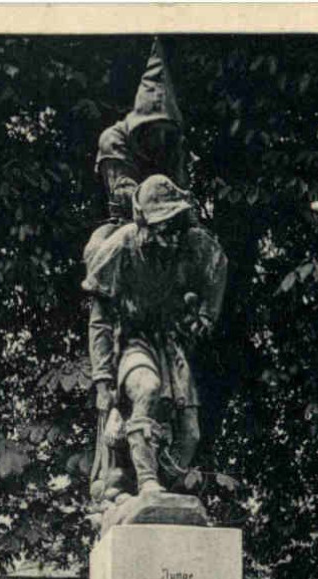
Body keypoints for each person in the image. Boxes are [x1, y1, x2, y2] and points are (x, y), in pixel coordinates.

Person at [82, 175, 227, 498]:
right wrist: (103, 381)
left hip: (170, 342)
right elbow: (100, 320)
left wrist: (206, 315)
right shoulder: (121, 246)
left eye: (174, 222)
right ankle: (148, 483)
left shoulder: (194, 243)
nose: (170, 232)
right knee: (147, 389)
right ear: (144, 221)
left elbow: (218, 266)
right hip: (131, 340)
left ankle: (166, 490)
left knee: (190, 433)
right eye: (162, 223)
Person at [83, 38, 192, 270]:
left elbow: (181, 191)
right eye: (156, 130)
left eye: (166, 131)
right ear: (142, 125)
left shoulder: (172, 145)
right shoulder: (114, 140)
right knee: (106, 255)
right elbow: (126, 197)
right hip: (124, 222)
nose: (161, 139)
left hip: (168, 222)